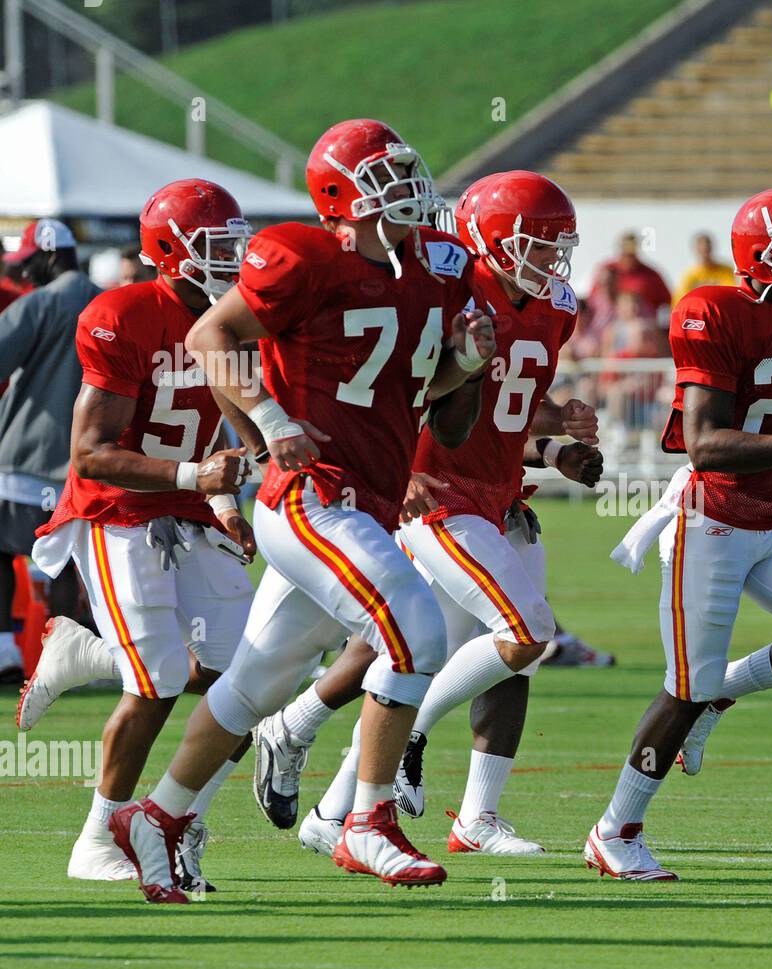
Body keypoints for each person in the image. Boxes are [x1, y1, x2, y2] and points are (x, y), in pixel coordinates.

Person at [108, 118, 494, 903]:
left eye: (406, 171)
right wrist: (269, 426)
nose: (408, 190)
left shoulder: (437, 269)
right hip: (315, 496)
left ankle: (158, 814)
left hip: (367, 504)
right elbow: (213, 333)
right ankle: (367, 821)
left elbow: (443, 417)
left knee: (255, 686)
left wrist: (469, 363)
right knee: (415, 631)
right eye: (385, 178)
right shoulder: (304, 257)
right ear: (340, 197)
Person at [251, 170, 603, 858]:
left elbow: (506, 408)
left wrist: (556, 439)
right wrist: (404, 471)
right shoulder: (446, 293)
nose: (550, 262)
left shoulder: (553, 307)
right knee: (514, 633)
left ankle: (351, 813)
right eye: (534, 245)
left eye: (556, 246)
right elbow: (404, 393)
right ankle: (385, 735)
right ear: (488, 240)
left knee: (468, 657)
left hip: (498, 494)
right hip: (434, 494)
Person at [588, 188, 772, 881]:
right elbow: (706, 444)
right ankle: (614, 830)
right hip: (710, 521)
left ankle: (729, 690)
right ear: (763, 260)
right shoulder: (712, 311)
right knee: (682, 686)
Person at [24, 181, 259, 889]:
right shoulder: (123, 312)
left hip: (188, 506)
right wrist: (198, 480)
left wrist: (222, 503)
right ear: (169, 252)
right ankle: (98, 839)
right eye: (216, 247)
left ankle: (175, 824)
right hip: (115, 508)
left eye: (236, 244)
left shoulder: (231, 322)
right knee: (156, 675)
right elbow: (90, 454)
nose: (234, 259)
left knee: (252, 678)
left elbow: (221, 427)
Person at [0, 219, 100, 682]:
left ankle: (5, 652)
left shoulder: (40, 303)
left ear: (50, 254)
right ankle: (72, 659)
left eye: (28, 263)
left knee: (3, 552)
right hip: (98, 460)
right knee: (68, 562)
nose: (22, 275)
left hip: (29, 455)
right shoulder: (110, 301)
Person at [674, 231, 735, 302]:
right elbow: (680, 301)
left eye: (707, 249)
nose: (705, 252)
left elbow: (730, 293)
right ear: (696, 250)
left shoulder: (725, 270)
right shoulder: (689, 275)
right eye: (702, 249)